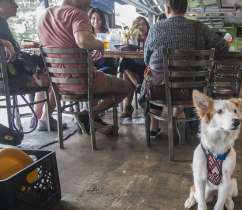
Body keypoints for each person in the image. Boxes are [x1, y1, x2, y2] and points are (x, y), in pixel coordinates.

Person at [38, 0, 133, 135]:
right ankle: (88, 115)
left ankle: (92, 121)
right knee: (127, 87)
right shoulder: (77, 14)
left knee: (100, 74)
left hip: (57, 83)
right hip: (84, 82)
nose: (89, 2)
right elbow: (83, 40)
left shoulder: (45, 16)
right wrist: (101, 45)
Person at [143, 0, 228, 138]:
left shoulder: (155, 28)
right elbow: (223, 46)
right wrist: (207, 57)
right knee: (187, 81)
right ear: (186, 8)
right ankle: (177, 116)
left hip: (158, 91)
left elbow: (146, 60)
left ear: (167, 7)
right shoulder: (198, 28)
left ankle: (154, 127)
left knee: (155, 76)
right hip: (190, 91)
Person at [0, 0, 57, 132]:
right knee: (55, 79)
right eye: (11, 2)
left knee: (44, 72)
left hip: (10, 74)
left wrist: (12, 45)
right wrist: (4, 43)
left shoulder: (3, 22)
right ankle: (43, 118)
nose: (16, 5)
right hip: (10, 78)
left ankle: (37, 118)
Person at [119, 16, 149, 118]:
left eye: (143, 24)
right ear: (134, 27)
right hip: (135, 69)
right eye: (138, 24)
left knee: (126, 72)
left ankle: (127, 107)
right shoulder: (131, 39)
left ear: (147, 26)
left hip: (147, 68)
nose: (141, 26)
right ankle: (137, 85)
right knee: (125, 62)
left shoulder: (151, 37)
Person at [88, 7, 117, 75]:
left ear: (102, 20)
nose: (96, 21)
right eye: (93, 18)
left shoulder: (108, 34)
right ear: (89, 19)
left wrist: (102, 46)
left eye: (99, 19)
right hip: (92, 65)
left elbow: (111, 48)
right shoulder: (87, 35)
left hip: (107, 65)